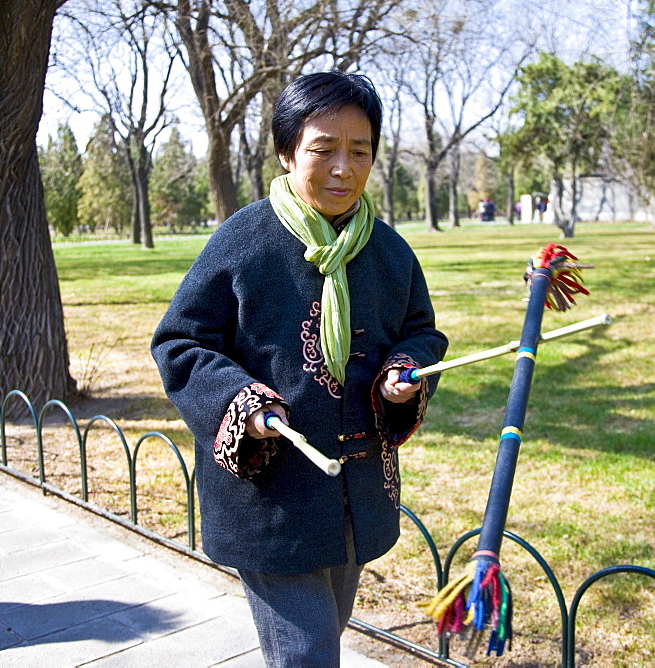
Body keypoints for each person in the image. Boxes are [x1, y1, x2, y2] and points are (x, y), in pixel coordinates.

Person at [151, 71, 448, 666]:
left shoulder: (388, 250)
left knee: (322, 640)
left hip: (356, 493)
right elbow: (181, 342)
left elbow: (422, 332)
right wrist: (241, 403)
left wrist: (406, 369)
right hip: (271, 498)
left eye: (359, 150)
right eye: (323, 149)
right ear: (288, 153)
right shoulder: (245, 240)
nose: (343, 167)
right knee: (308, 653)